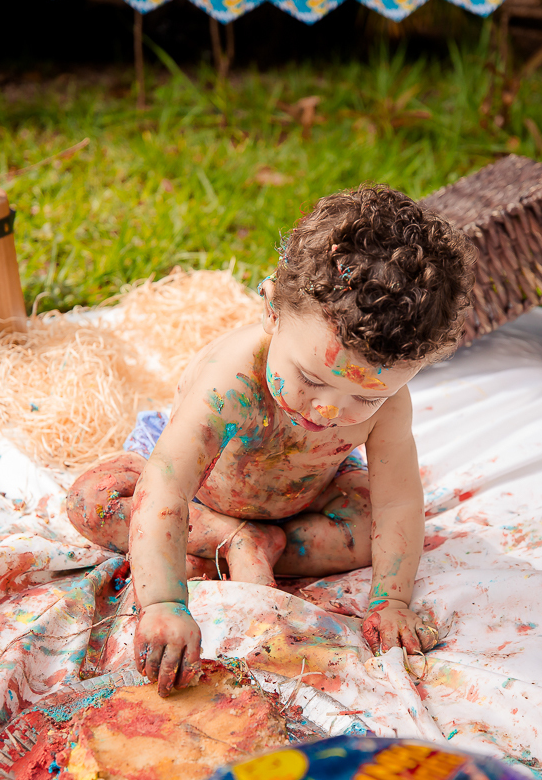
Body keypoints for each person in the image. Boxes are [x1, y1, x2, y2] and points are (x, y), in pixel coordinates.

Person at [66, 184, 476, 697]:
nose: (329, 411)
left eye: (362, 399)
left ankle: (256, 544)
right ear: (272, 312)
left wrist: (389, 601)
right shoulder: (231, 380)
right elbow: (167, 487)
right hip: (202, 496)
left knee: (378, 521)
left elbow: (397, 500)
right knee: (92, 500)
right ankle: (229, 539)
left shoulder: (391, 401)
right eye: (311, 379)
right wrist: (164, 604)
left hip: (302, 497)